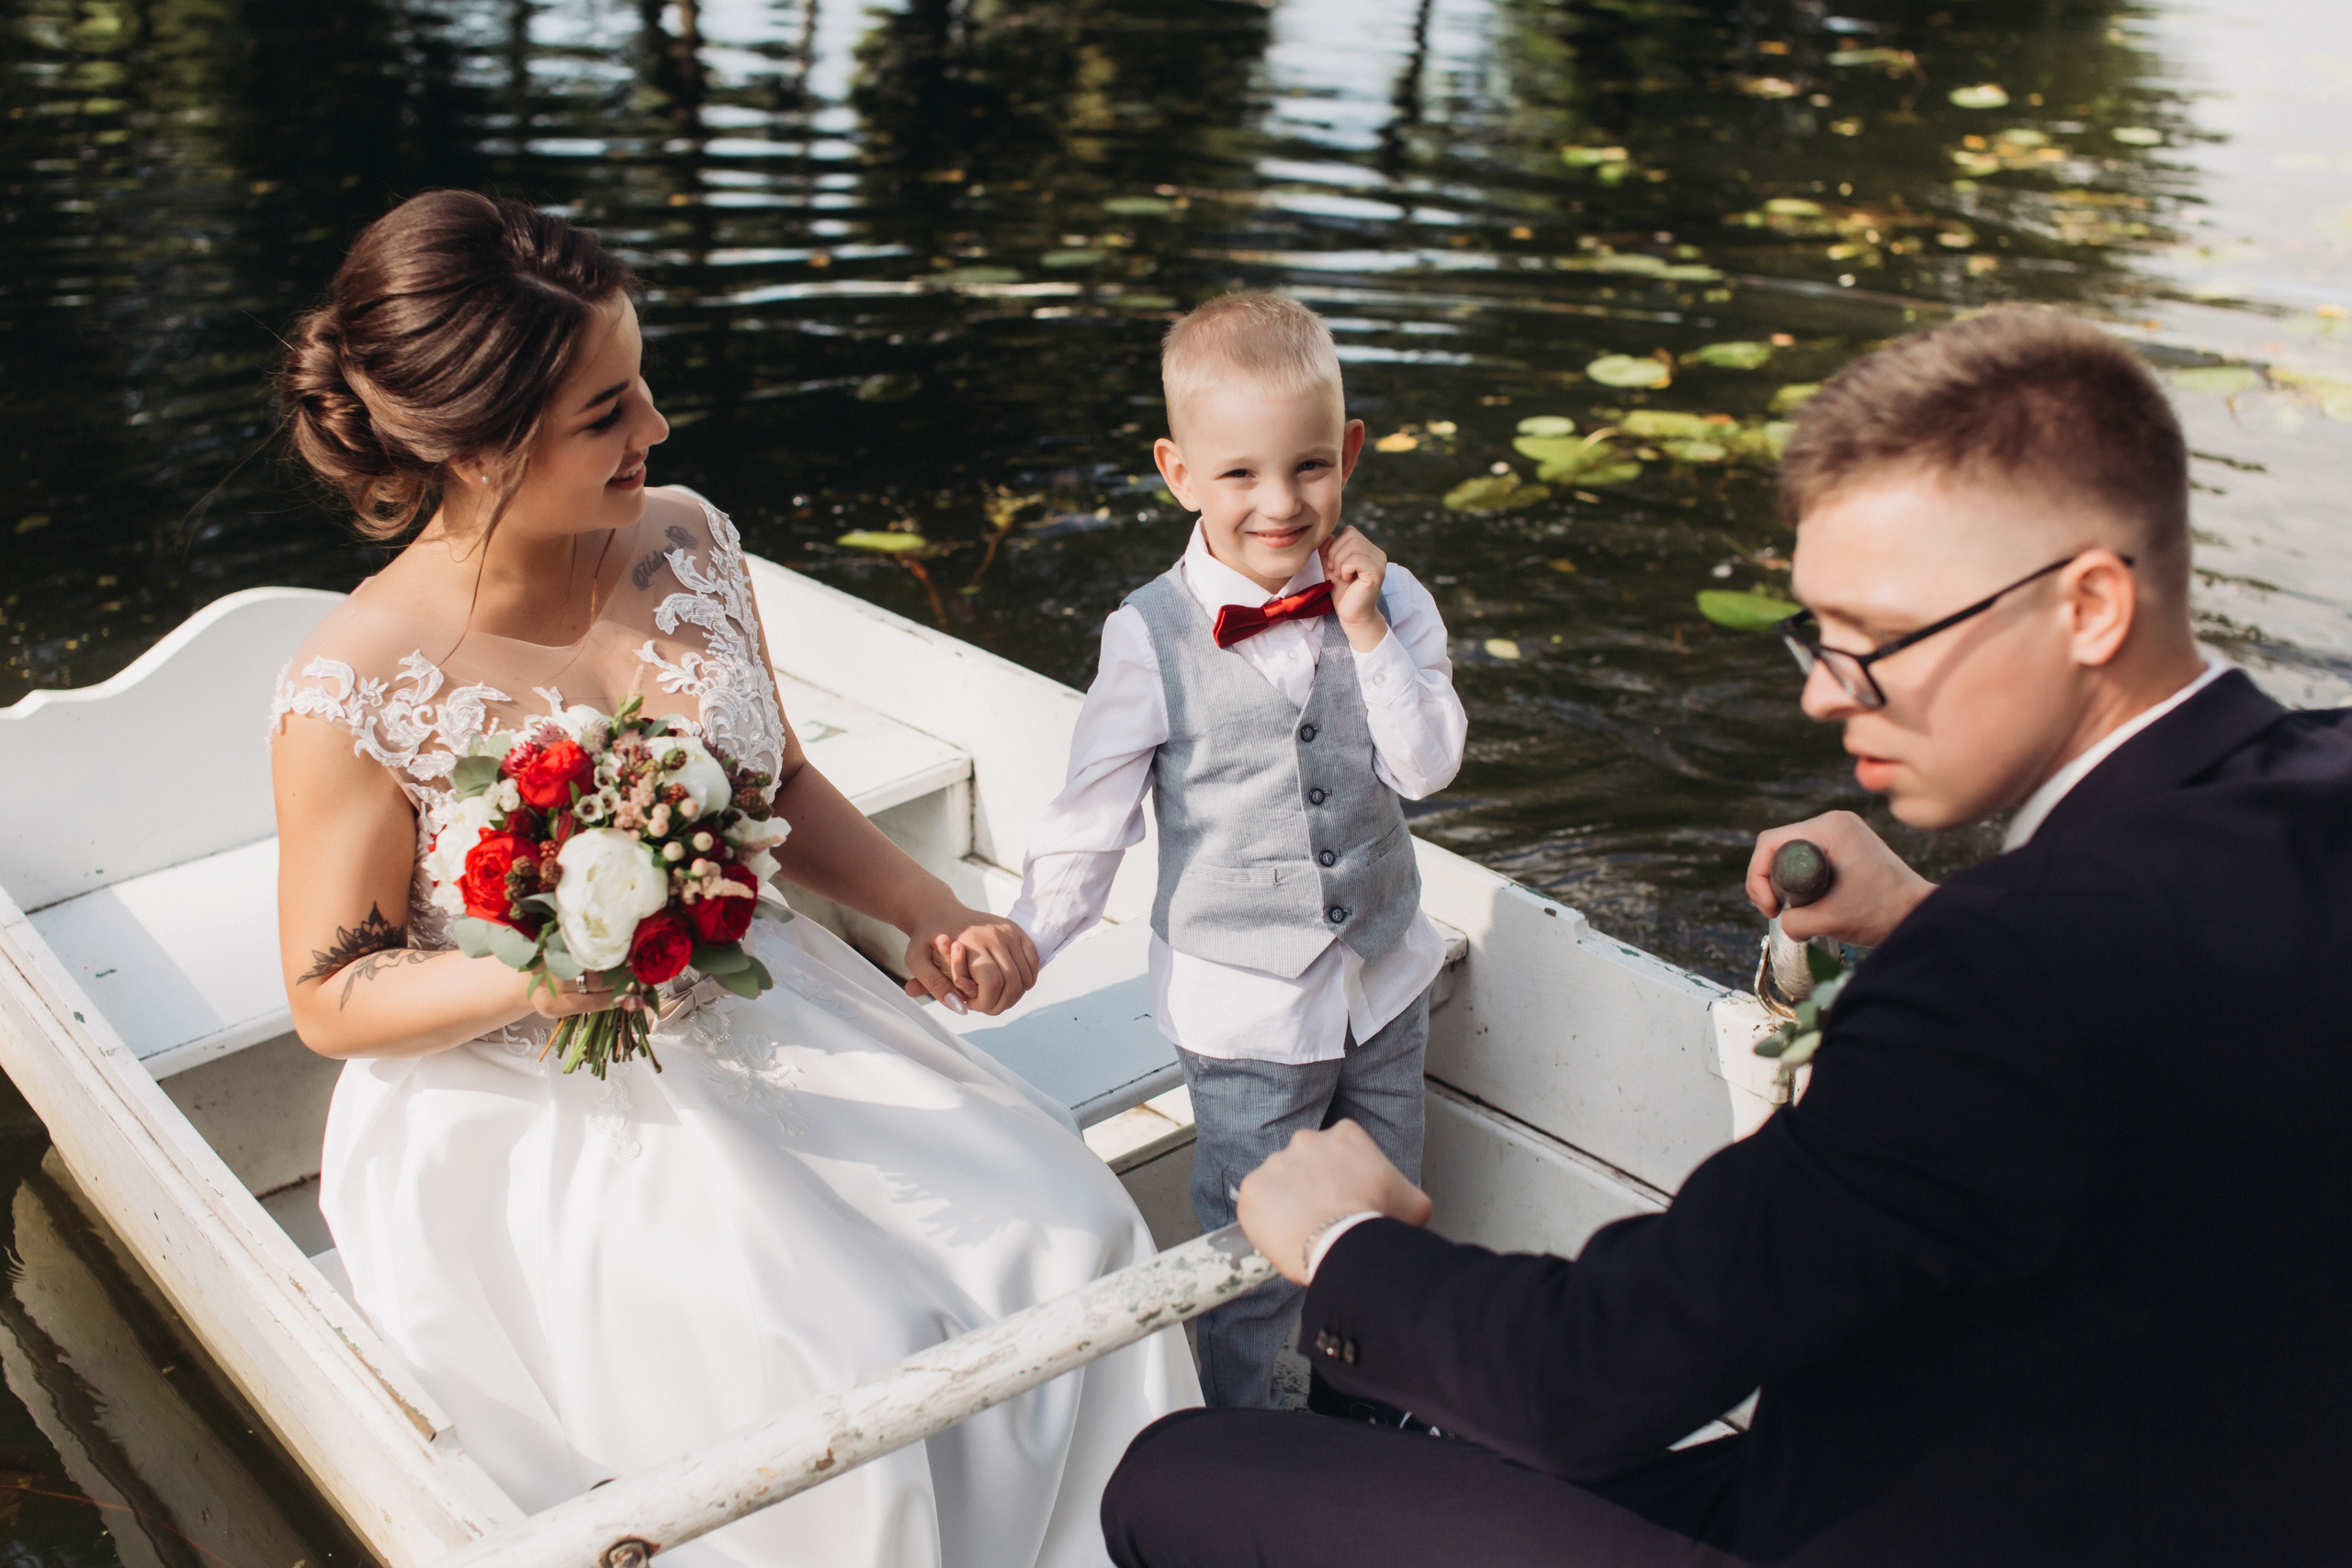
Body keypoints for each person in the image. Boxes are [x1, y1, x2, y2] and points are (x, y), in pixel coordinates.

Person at [1100, 309, 2352, 1565]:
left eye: (1873, 640)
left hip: (1901, 1519)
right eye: (1820, 634)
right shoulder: (2313, 785)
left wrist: (1341, 1238)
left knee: (1179, 1472)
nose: (1821, 688)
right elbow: (2166, 993)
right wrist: (1920, 910)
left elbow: (1590, 1375)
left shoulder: (1992, 975)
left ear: (2088, 605)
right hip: (2097, 1472)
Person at [267, 189, 1197, 1568]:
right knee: (846, 1353)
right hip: (534, 1086)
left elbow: (782, 785)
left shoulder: (686, 535)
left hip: (766, 999)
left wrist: (927, 907)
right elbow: (329, 992)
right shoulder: (353, 689)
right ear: (476, 448)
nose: (654, 431)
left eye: (640, 386)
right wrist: (536, 965)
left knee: (1067, 1227)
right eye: (606, 415)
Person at [1009, 292, 1465, 1409]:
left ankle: (1374, 1421)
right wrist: (1025, 938)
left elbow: (1427, 769)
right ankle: (1253, 1443)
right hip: (1243, 1004)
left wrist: (1365, 634)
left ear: (1349, 451)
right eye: (1239, 475)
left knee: (1381, 1215)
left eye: (1310, 467)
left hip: (1382, 975)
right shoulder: (1145, 633)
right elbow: (1093, 811)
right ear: (1177, 473)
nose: (1280, 503)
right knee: (1255, 1252)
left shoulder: (1391, 599)